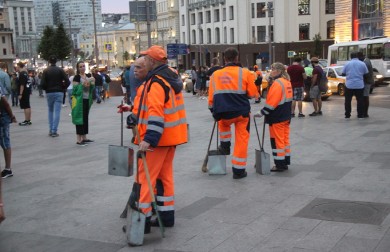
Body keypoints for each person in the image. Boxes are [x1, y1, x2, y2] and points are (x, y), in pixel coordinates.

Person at [129, 45, 187, 240]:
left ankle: (141, 221)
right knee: (165, 177)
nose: (142, 61)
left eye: (145, 58)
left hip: (158, 140)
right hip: (172, 137)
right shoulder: (171, 77)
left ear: (152, 61)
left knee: (145, 179)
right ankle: (166, 215)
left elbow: (156, 113)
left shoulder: (156, 82)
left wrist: (149, 140)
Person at [208, 47, 258, 179]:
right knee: (242, 140)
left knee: (223, 125)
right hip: (241, 112)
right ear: (237, 58)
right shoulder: (245, 72)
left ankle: (225, 145)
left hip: (222, 112)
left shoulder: (215, 75)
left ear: (224, 59)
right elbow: (253, 94)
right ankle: (238, 170)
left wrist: (213, 111)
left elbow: (211, 98)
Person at [255, 62, 293, 172]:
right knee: (285, 140)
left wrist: (262, 112)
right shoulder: (287, 82)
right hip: (286, 116)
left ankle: (279, 164)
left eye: (272, 69)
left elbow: (272, 103)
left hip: (277, 117)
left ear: (278, 71)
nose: (271, 71)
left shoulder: (277, 84)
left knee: (277, 141)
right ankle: (285, 161)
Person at [40, 55, 70, 137]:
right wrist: (63, 88)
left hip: (49, 92)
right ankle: (54, 130)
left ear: (49, 61)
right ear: (56, 61)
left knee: (50, 111)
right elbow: (67, 81)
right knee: (57, 111)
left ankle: (50, 129)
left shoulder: (46, 71)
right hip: (59, 92)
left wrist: (46, 89)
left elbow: (42, 83)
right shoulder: (60, 70)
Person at [71, 61, 95, 146]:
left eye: (83, 66)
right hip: (78, 101)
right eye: (80, 67)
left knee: (85, 118)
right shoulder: (76, 77)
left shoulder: (88, 75)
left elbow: (91, 87)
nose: (82, 68)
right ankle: (79, 139)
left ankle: (84, 137)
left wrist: (92, 83)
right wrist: (83, 84)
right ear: (78, 68)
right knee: (79, 118)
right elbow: (75, 90)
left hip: (86, 99)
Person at [342, 52, 368, 119]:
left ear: (351, 57)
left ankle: (347, 114)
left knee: (348, 100)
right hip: (359, 85)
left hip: (349, 85)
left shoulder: (347, 64)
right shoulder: (362, 64)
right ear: (357, 56)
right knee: (360, 100)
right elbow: (366, 73)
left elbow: (343, 73)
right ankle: (360, 114)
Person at [0, 88, 17, 178]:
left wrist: (12, 116)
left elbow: (5, 103)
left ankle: (8, 169)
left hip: (2, 118)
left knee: (5, 143)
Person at [357, 51, 374, 118]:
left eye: (358, 58)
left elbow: (365, 74)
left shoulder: (365, 63)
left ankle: (365, 113)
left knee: (365, 97)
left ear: (360, 57)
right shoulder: (367, 60)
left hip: (366, 82)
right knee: (364, 97)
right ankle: (364, 112)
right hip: (367, 81)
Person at [17, 61, 32, 126]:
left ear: (19, 66)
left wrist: (20, 94)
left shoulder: (22, 74)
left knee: (25, 106)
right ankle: (28, 120)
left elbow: (22, 85)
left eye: (17, 66)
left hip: (24, 92)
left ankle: (26, 120)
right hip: (27, 91)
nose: (16, 68)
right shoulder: (26, 73)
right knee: (28, 106)